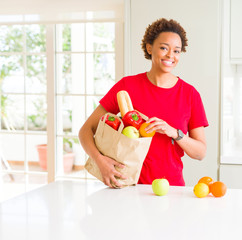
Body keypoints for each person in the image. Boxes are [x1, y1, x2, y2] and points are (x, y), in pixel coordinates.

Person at [78, 18, 208, 188]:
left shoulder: (190, 94)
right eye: (164, 48)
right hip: (127, 186)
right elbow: (85, 131)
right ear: (149, 48)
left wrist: (175, 133)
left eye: (176, 51)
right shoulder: (127, 86)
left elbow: (200, 153)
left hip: (171, 189)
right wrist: (99, 160)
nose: (170, 55)